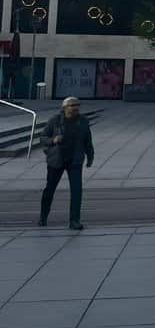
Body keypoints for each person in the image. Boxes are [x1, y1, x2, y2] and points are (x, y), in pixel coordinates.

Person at [39, 97, 94, 230]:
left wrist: (90, 156)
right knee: (49, 190)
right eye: (72, 105)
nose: (75, 107)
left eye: (77, 105)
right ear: (64, 108)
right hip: (56, 160)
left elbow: (88, 140)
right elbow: (42, 138)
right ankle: (43, 216)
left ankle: (74, 220)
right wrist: (53, 140)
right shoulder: (55, 120)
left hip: (75, 160)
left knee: (77, 191)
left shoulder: (83, 121)